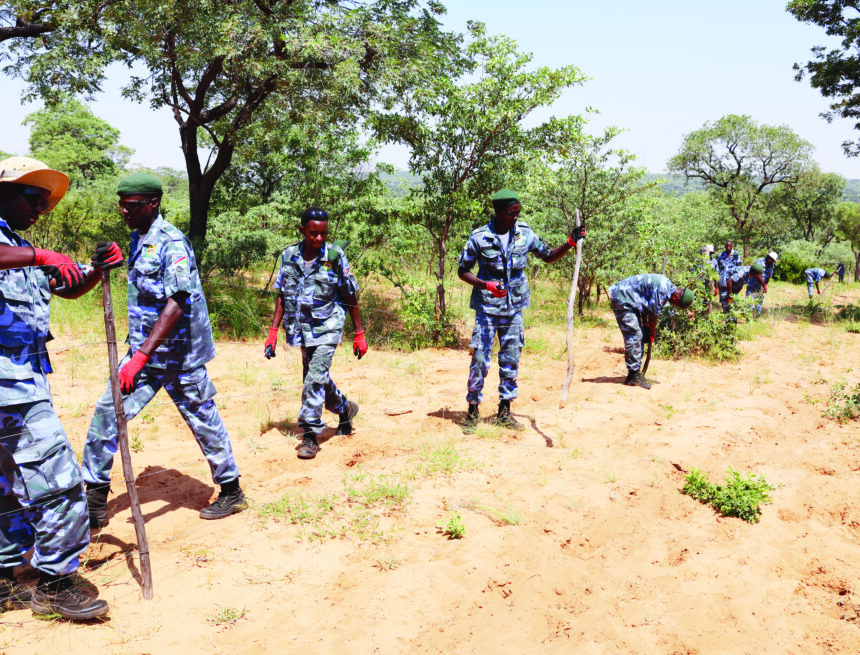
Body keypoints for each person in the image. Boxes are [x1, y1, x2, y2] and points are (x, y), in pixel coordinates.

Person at [76, 173, 245, 527]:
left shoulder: (172, 242)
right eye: (121, 205)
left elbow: (178, 300)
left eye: (132, 206)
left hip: (179, 356)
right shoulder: (139, 239)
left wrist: (140, 356)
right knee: (109, 411)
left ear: (153, 204)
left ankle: (231, 491)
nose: (124, 211)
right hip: (144, 354)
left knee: (203, 420)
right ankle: (93, 499)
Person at [0, 157, 110, 620]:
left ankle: (5, 578)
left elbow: (63, 287)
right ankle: (55, 582)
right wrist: (45, 255)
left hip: (19, 385)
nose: (39, 209)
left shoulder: (19, 245)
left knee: (6, 488)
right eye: (32, 198)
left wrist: (94, 269)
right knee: (62, 482)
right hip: (12, 392)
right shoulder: (17, 249)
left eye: (45, 204)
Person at [457, 188, 584, 431]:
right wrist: (486, 284)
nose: (515, 217)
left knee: (511, 359)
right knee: (480, 360)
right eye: (510, 213)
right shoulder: (480, 237)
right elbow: (463, 271)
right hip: (486, 309)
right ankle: (473, 411)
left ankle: (505, 411)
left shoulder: (524, 234)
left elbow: (547, 256)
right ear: (498, 212)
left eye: (517, 212)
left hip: (513, 310)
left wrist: (570, 242)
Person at [265, 207, 365, 460]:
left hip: (328, 325)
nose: (318, 239)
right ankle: (345, 409)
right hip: (300, 328)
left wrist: (359, 332)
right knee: (315, 378)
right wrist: (273, 331)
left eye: (323, 233)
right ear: (302, 230)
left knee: (315, 375)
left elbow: (349, 294)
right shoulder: (288, 255)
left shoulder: (335, 255)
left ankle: (310, 435)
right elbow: (282, 294)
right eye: (313, 233)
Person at [608, 273, 693, 389]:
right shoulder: (663, 290)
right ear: (677, 297)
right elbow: (653, 316)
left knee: (640, 333)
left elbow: (644, 305)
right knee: (635, 335)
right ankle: (633, 376)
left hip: (630, 300)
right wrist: (651, 333)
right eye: (677, 305)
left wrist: (646, 325)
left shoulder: (667, 287)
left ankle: (635, 372)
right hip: (622, 298)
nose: (674, 305)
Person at [745, 252, 777, 317]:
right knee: (749, 303)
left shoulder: (772, 265)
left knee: (759, 304)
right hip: (752, 285)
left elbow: (768, 276)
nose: (770, 260)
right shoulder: (760, 261)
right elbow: (757, 275)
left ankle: (756, 319)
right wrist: (764, 284)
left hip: (760, 287)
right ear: (767, 256)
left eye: (772, 259)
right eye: (769, 258)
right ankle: (747, 319)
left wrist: (765, 286)